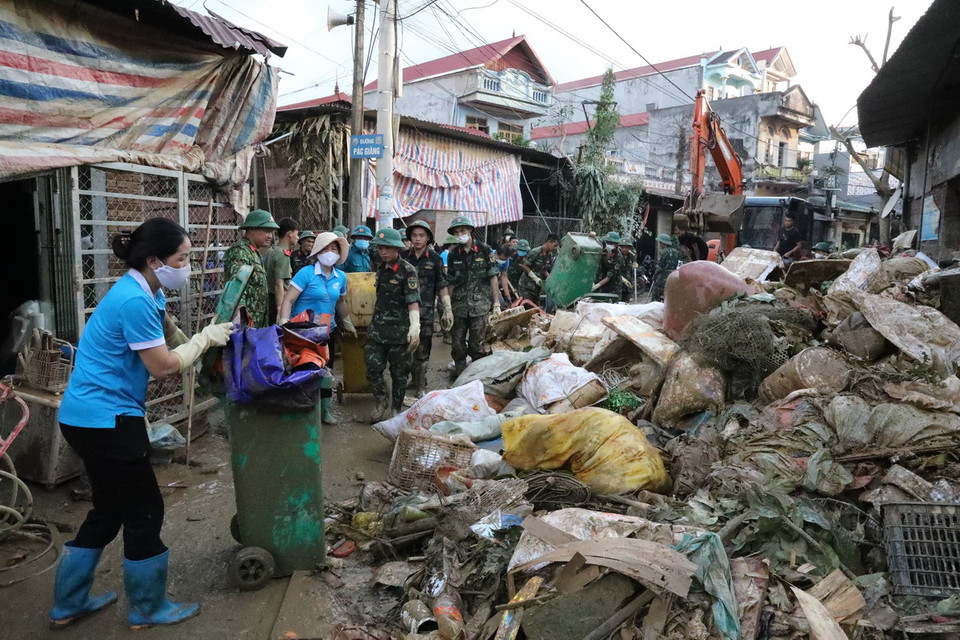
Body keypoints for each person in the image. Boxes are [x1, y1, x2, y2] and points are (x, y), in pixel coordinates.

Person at [51, 218, 233, 630]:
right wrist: (204, 340)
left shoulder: (145, 290)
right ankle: (147, 608)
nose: (187, 267)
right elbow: (163, 366)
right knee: (144, 510)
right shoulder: (133, 300)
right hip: (107, 420)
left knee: (109, 508)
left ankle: (69, 603)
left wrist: (194, 345)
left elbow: (167, 330)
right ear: (154, 260)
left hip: (85, 417)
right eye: (182, 259)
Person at [279, 232, 358, 424]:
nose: (330, 253)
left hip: (326, 332)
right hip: (303, 334)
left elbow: (340, 302)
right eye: (325, 249)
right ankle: (303, 411)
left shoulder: (340, 277)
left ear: (339, 254)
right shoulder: (306, 273)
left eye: (334, 249)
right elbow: (288, 300)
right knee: (304, 370)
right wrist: (283, 322)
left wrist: (348, 323)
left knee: (326, 371)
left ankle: (325, 411)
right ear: (317, 252)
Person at [365, 228, 420, 421]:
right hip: (378, 331)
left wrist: (415, 326)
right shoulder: (381, 268)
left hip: (399, 332)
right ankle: (381, 399)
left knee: (399, 374)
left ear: (397, 248)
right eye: (380, 248)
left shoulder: (408, 271)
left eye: (387, 248)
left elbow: (413, 300)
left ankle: (396, 408)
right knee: (372, 368)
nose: (383, 251)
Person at [401, 221, 453, 397]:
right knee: (406, 348)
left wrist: (447, 309)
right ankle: (412, 380)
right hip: (405, 313)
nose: (417, 239)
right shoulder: (402, 257)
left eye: (421, 235)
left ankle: (420, 385)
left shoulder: (435, 259)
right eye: (414, 235)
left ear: (428, 238)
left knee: (423, 350)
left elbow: (442, 285)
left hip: (426, 312)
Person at [446, 216, 499, 378]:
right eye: (456, 232)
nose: (460, 234)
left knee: (477, 345)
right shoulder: (453, 254)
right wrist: (447, 308)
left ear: (470, 230)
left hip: (480, 306)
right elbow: (451, 282)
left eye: (462, 230)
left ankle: (476, 378)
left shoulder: (485, 250)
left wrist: (496, 303)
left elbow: (493, 276)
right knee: (457, 345)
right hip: (459, 307)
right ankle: (461, 377)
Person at [223, 209, 279, 328]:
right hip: (246, 325)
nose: (270, 236)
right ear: (252, 229)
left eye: (271, 232)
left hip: (257, 324)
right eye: (266, 231)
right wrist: (241, 320)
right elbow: (236, 287)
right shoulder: (240, 252)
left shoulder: (254, 252)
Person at [263, 217, 299, 325]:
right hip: (278, 300)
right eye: (297, 234)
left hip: (268, 298)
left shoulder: (272, 250)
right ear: (290, 234)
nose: (298, 237)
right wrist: (280, 309)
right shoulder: (283, 255)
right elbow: (279, 284)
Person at [518, 234, 560, 303]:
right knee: (526, 305)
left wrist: (550, 278)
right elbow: (524, 266)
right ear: (549, 242)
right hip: (527, 286)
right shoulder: (535, 252)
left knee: (535, 306)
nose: (556, 248)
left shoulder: (549, 255)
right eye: (555, 245)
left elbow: (544, 269)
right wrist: (534, 277)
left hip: (537, 287)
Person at [651, 233, 684, 302]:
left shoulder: (663, 252)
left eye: (660, 243)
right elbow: (680, 265)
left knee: (657, 296)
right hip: (673, 277)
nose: (660, 244)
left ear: (663, 243)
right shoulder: (678, 253)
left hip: (663, 278)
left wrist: (654, 275)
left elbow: (660, 267)